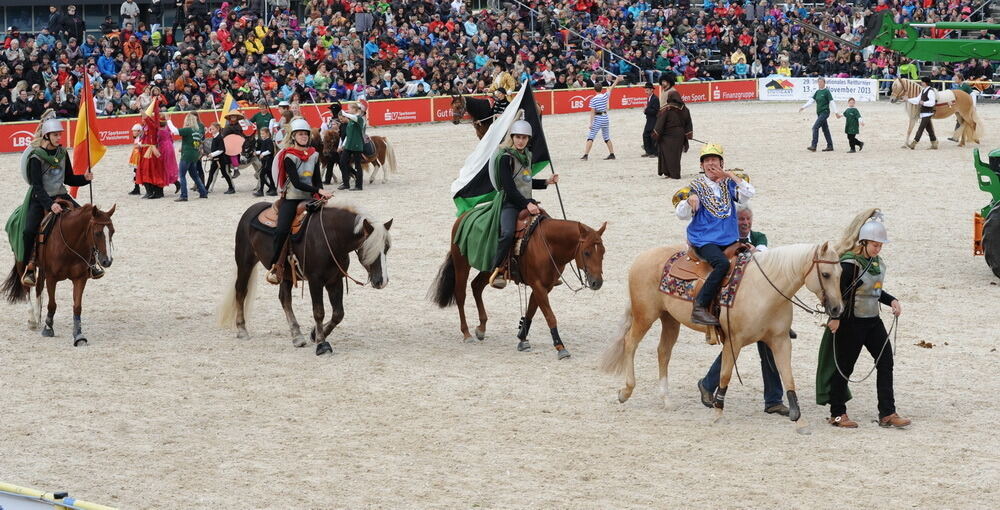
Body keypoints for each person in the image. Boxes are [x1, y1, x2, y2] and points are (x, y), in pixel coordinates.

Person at [817, 213, 911, 429]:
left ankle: (887, 412)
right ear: (864, 242)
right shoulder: (849, 265)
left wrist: (891, 300)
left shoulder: (875, 262)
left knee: (886, 361)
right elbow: (837, 294)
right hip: (850, 323)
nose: (878, 249)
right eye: (875, 245)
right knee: (844, 367)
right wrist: (834, 318)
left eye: (880, 245)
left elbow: (873, 291)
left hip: (872, 321)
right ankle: (837, 413)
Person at [697, 202, 789, 416]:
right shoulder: (724, 240)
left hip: (759, 304)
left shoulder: (759, 237)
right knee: (736, 344)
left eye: (748, 219)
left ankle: (773, 399)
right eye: (741, 220)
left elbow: (764, 256)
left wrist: (754, 252)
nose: (745, 223)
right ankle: (709, 384)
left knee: (768, 346)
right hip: (737, 303)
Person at [674, 143, 754, 325]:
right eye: (707, 160)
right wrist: (689, 200)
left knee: (753, 260)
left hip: (729, 239)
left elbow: (749, 192)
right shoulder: (695, 187)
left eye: (714, 160)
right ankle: (700, 307)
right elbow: (680, 214)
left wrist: (728, 175)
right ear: (701, 166)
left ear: (722, 163)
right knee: (722, 264)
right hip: (704, 240)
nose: (711, 164)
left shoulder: (729, 184)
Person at [19, 119, 93, 286]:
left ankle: (91, 261)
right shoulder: (36, 157)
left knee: (88, 220)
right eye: (55, 135)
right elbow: (36, 186)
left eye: (60, 134)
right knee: (29, 230)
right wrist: (49, 204)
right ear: (47, 135)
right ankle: (29, 266)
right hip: (41, 199)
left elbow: (68, 178)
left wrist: (84, 179)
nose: (59, 137)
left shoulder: (62, 153)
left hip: (62, 195)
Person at [488, 120, 560, 289]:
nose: (521, 141)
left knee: (548, 228)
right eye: (518, 137)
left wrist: (546, 182)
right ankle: (498, 269)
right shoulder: (505, 158)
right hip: (510, 203)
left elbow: (526, 181)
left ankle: (547, 269)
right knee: (506, 234)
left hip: (527, 202)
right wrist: (526, 204)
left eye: (524, 138)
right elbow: (510, 188)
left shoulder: (527, 155)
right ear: (512, 137)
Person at [266, 118, 332, 285]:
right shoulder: (289, 156)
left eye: (305, 134)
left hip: (310, 198)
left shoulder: (314, 154)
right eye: (300, 134)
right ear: (294, 136)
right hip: (292, 199)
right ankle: (274, 264)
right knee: (282, 230)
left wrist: (321, 194)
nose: (303, 137)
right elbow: (296, 182)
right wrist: (318, 190)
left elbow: (317, 179)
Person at [580, 74, 624, 161]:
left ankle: (586, 155)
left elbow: (592, 112)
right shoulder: (605, 96)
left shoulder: (593, 99)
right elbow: (611, 88)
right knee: (606, 137)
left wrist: (591, 123)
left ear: (594, 89)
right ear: (601, 89)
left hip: (598, 118)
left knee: (591, 136)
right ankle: (612, 154)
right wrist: (616, 80)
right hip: (605, 118)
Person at [652, 88, 693, 179]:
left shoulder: (667, 109)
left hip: (667, 136)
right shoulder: (685, 109)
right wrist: (688, 135)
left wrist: (656, 133)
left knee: (667, 155)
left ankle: (671, 173)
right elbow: (688, 123)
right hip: (680, 135)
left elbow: (660, 123)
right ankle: (674, 173)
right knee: (676, 156)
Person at [799, 77, 838, 152]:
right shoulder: (817, 92)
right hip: (819, 113)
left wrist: (836, 112)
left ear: (824, 83)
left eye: (821, 82)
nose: (819, 83)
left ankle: (814, 146)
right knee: (825, 130)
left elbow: (832, 102)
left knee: (815, 127)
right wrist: (803, 107)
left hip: (825, 112)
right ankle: (830, 146)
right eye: (818, 82)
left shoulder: (827, 91)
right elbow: (811, 101)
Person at [175, 113, 208, 201]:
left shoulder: (188, 129)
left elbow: (175, 131)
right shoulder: (196, 131)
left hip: (187, 155)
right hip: (194, 154)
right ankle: (203, 192)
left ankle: (184, 195)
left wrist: (169, 121)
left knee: (182, 175)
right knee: (195, 175)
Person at [338, 102, 367, 191]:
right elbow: (348, 134)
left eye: (349, 109)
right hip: (348, 146)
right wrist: (343, 145)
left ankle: (359, 185)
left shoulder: (360, 119)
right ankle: (346, 183)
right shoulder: (351, 120)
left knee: (357, 166)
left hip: (357, 146)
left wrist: (344, 113)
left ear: (355, 109)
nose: (348, 110)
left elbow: (354, 117)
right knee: (342, 162)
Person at [907, 76, 938, 150]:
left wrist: (923, 103)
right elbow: (917, 100)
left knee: (921, 128)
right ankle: (934, 144)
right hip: (924, 113)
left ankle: (914, 143)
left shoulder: (930, 91)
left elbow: (932, 102)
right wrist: (908, 99)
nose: (921, 83)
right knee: (929, 129)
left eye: (922, 82)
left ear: (926, 83)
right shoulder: (923, 90)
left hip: (928, 113)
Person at [206, 122, 236, 194]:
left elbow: (221, 150)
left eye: (213, 129)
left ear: (218, 129)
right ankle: (206, 188)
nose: (211, 130)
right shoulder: (215, 137)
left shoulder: (219, 138)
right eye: (211, 129)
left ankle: (231, 188)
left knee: (224, 173)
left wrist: (212, 154)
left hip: (220, 159)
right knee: (211, 173)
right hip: (215, 159)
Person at [253, 127, 277, 197]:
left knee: (261, 175)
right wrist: (257, 152)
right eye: (261, 134)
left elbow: (270, 151)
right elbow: (263, 150)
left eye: (263, 134)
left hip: (268, 161)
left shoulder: (269, 141)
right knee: (270, 175)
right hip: (265, 161)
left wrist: (263, 154)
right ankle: (272, 189)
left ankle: (261, 191)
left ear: (267, 133)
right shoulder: (265, 141)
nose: (262, 135)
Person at [641, 82, 660, 158]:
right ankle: (648, 151)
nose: (646, 91)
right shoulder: (649, 98)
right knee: (646, 135)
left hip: (654, 120)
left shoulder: (655, 99)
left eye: (647, 90)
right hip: (649, 119)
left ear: (652, 90)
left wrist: (646, 110)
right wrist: (646, 111)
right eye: (645, 90)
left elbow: (655, 111)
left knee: (652, 136)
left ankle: (655, 153)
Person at [128, 123, 143, 195]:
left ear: (139, 131)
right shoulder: (137, 138)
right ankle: (136, 188)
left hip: (139, 158)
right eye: (133, 131)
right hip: (136, 158)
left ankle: (137, 188)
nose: (133, 132)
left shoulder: (140, 139)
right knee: (135, 173)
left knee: (138, 172)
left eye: (135, 131)